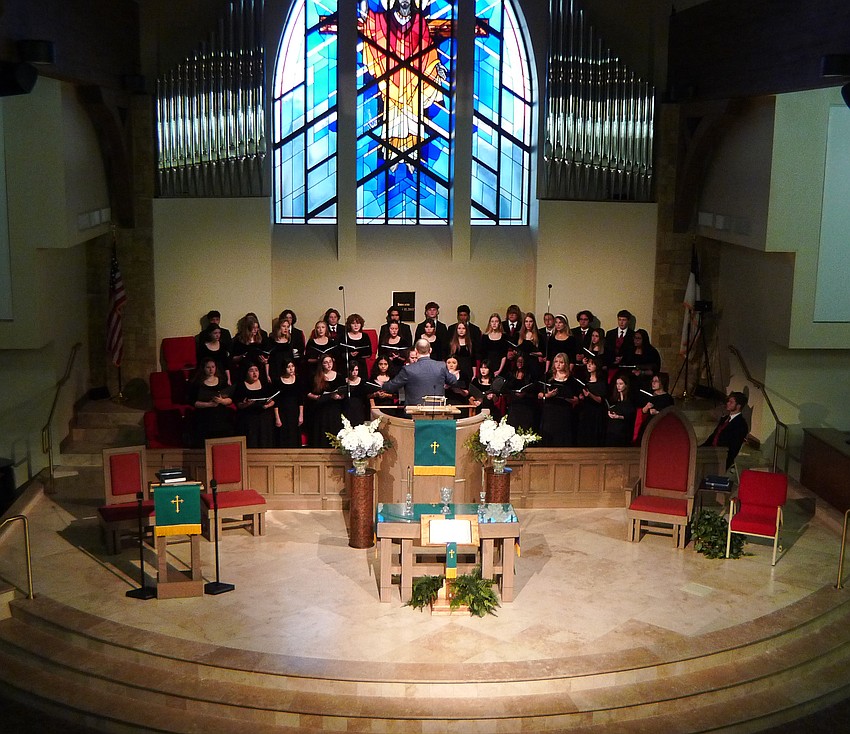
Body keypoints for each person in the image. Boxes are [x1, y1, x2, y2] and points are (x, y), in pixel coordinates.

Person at [379, 338, 458, 406]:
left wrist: (382, 385)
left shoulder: (408, 369)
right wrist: (452, 373)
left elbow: (391, 387)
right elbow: (453, 381)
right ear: (430, 350)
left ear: (416, 351)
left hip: (414, 412)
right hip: (437, 411)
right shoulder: (441, 366)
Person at [188, 358, 234, 446]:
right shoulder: (197, 383)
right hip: (204, 417)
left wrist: (222, 401)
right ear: (203, 368)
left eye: (213, 367)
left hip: (220, 417)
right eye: (208, 367)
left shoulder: (222, 381)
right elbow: (193, 402)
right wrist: (209, 404)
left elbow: (230, 399)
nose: (211, 369)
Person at [232, 361, 276, 448]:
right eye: (251, 370)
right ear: (246, 372)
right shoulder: (241, 385)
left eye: (256, 370)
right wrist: (246, 404)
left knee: (264, 442)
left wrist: (268, 405)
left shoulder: (265, 384)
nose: (255, 373)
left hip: (263, 419)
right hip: (248, 420)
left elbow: (273, 400)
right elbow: (238, 404)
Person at [306, 355, 346, 447]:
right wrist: (318, 397)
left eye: (330, 362)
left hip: (334, 409)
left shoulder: (339, 376)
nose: (329, 364)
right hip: (321, 409)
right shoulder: (315, 377)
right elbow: (307, 393)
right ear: (321, 364)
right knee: (321, 433)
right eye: (325, 362)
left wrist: (339, 397)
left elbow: (343, 393)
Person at [702, 391, 749, 469]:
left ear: (738, 406)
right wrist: (702, 448)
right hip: (712, 451)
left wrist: (725, 463)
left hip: (721, 456)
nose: (728, 403)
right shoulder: (724, 419)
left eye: (731, 402)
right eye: (728, 401)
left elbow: (734, 448)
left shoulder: (741, 424)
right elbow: (714, 436)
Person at [537, 352, 576, 447]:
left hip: (563, 411)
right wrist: (548, 395)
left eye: (561, 362)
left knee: (561, 437)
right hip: (549, 411)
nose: (558, 364)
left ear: (566, 364)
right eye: (556, 362)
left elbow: (576, 399)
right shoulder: (548, 376)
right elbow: (539, 395)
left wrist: (566, 397)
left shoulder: (571, 380)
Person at [576, 356, 607, 447]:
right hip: (585, 411)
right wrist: (581, 396)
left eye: (592, 364)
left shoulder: (601, 382)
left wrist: (590, 395)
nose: (589, 365)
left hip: (596, 413)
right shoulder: (585, 381)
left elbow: (600, 400)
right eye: (588, 363)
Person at [636, 372, 675, 443]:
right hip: (648, 424)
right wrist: (646, 407)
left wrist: (657, 412)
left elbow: (670, 413)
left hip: (660, 425)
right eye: (652, 381)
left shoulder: (668, 398)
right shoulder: (650, 396)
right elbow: (643, 411)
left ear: (662, 382)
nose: (653, 383)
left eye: (656, 381)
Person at [273, 360, 304, 448]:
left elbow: (300, 399)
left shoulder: (298, 380)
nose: (291, 369)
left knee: (295, 437)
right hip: (282, 413)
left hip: (294, 413)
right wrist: (277, 417)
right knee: (283, 438)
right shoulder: (278, 381)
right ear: (284, 368)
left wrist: (301, 415)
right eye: (288, 367)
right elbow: (276, 402)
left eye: (292, 366)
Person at [626, 329, 662, 404]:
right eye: (635, 338)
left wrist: (642, 372)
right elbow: (627, 364)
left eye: (638, 338)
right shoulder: (630, 350)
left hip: (646, 380)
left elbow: (655, 368)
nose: (636, 340)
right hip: (631, 378)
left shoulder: (651, 352)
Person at [505, 354, 537, 431]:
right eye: (518, 362)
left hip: (526, 404)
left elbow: (534, 390)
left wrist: (525, 394)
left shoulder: (529, 375)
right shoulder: (511, 374)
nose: (520, 364)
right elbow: (506, 389)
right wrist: (514, 393)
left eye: (522, 362)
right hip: (514, 404)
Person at [606, 376, 636, 447]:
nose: (618, 386)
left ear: (626, 385)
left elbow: (630, 417)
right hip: (612, 429)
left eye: (621, 384)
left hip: (623, 430)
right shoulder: (614, 399)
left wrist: (618, 417)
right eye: (617, 384)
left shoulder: (629, 400)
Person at [605, 309, 634, 376]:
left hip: (625, 366)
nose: (621, 322)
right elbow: (607, 349)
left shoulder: (632, 335)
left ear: (628, 321)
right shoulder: (610, 333)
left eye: (624, 320)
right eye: (619, 320)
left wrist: (622, 358)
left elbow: (631, 351)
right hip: (611, 365)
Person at [267, 318, 296, 383]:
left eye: (287, 327)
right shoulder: (271, 340)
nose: (286, 329)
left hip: (286, 370)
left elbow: (291, 358)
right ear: (278, 327)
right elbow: (268, 360)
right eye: (283, 326)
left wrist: (293, 372)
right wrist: (267, 374)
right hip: (275, 369)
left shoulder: (289, 341)